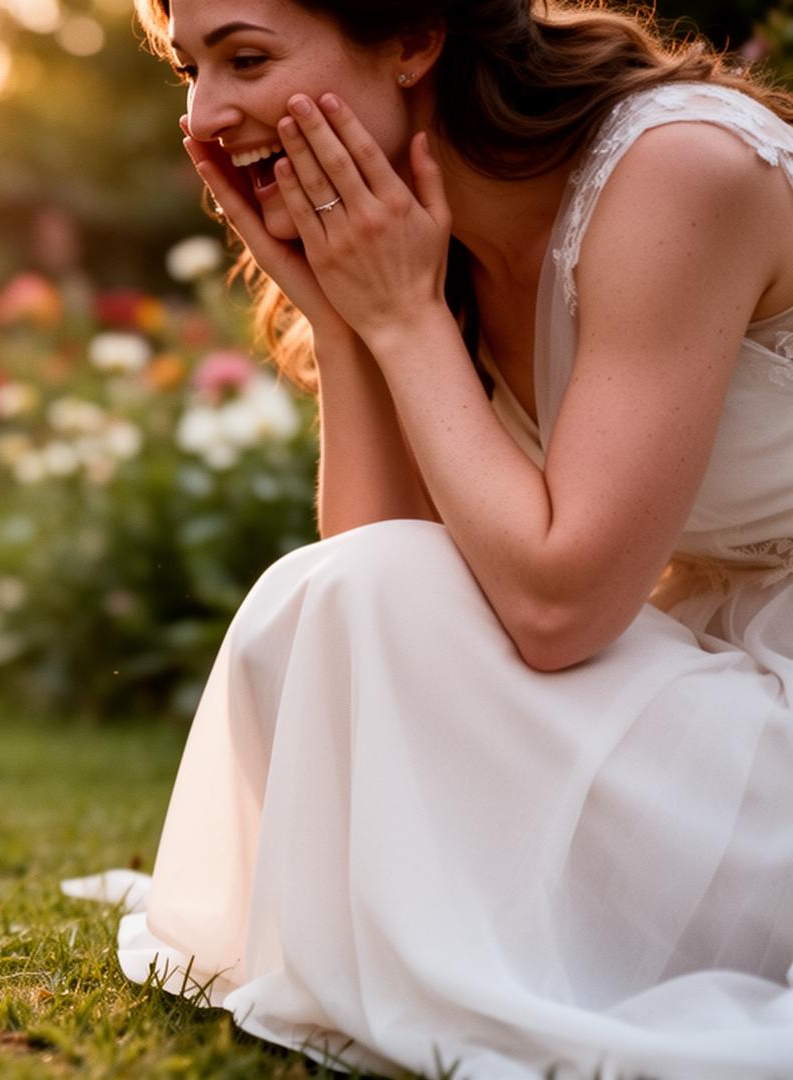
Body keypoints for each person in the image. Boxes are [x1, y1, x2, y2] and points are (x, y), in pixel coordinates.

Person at [61, 0, 793, 1075]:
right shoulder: (429, 239)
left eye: (246, 58)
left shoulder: (680, 171)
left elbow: (559, 609)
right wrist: (344, 316)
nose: (207, 115)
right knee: (328, 596)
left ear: (413, 38)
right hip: (707, 694)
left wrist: (404, 317)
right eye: (190, 70)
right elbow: (383, 599)